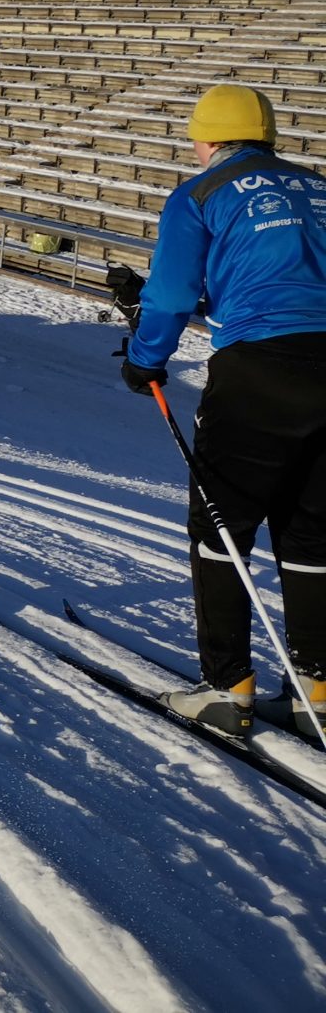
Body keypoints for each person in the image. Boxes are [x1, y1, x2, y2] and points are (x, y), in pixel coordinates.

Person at [118, 84, 326, 738]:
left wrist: (144, 357)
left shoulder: (200, 194)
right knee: (312, 537)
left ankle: (227, 686)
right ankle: (315, 689)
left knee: (221, 530)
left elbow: (175, 293)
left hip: (258, 376)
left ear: (206, 140)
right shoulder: (317, 188)